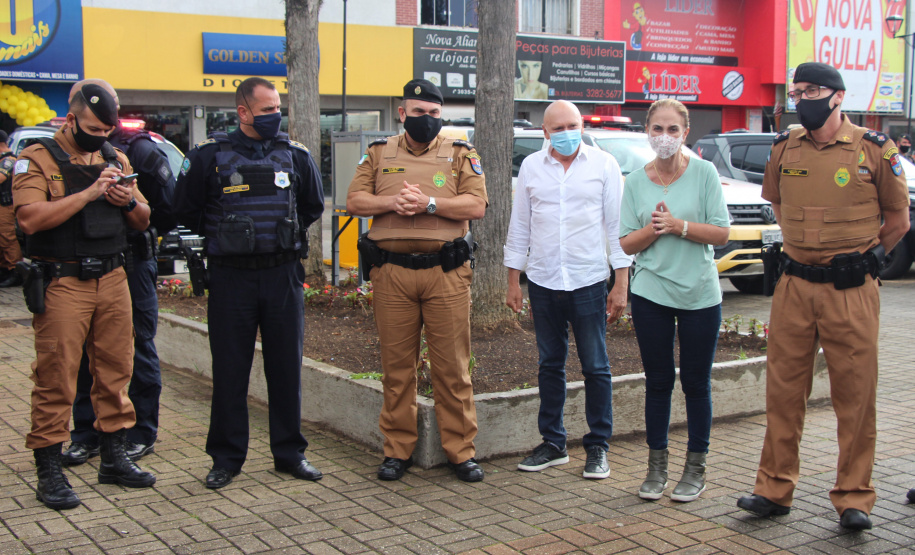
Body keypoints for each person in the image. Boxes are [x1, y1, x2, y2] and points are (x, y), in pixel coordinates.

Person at [737, 62, 910, 531]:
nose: (802, 99)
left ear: (837, 96)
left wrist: (867, 259)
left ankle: (854, 497)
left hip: (849, 290)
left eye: (811, 90)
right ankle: (773, 489)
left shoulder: (873, 149)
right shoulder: (784, 147)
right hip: (794, 285)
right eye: (797, 92)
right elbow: (779, 204)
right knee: (783, 392)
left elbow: (898, 222)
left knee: (855, 396)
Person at [175, 77, 325, 489]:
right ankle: (226, 459)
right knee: (229, 370)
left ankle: (290, 454)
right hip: (231, 278)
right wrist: (227, 236)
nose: (275, 116)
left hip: (282, 275)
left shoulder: (295, 155)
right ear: (243, 112)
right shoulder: (208, 155)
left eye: (277, 108)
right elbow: (184, 208)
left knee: (286, 368)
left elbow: (312, 205)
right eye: (266, 110)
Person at [13, 83, 157, 510]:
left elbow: (144, 218)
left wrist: (127, 201)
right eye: (93, 129)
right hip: (63, 281)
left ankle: (113, 457)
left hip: (112, 278)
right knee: (56, 375)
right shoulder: (36, 159)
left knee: (116, 370)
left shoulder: (116, 158)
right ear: (71, 119)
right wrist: (90, 193)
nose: (101, 137)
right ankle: (49, 470)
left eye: (107, 130)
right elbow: (29, 219)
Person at [347, 78, 487, 482]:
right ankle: (397, 451)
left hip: (445, 274)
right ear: (402, 113)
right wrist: (392, 202)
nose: (426, 119)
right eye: (418, 112)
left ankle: (461, 452)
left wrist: (429, 204)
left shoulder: (460, 152)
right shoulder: (379, 153)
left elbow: (476, 205)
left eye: (434, 113)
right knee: (397, 369)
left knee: (452, 369)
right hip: (392, 275)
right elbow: (355, 200)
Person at [505, 100, 631, 480]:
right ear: (545, 132)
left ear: (582, 126)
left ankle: (598, 446)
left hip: (588, 281)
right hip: (543, 281)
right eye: (557, 128)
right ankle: (553, 442)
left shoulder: (604, 165)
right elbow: (520, 226)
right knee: (549, 364)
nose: (565, 133)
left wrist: (621, 282)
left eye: (572, 125)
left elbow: (617, 227)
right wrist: (513, 280)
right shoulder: (531, 167)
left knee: (596, 366)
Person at [618, 99, 730, 502]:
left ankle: (695, 469)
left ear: (685, 133)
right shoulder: (635, 181)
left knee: (696, 383)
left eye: (672, 130)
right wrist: (655, 228)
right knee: (659, 381)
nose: (664, 137)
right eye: (657, 129)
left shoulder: (704, 173)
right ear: (647, 131)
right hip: (652, 293)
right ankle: (656, 468)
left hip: (699, 293)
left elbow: (721, 233)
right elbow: (626, 243)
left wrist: (678, 225)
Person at [61, 79, 176, 467]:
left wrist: (128, 205)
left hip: (131, 261)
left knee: (138, 347)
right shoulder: (56, 155)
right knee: (82, 351)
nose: (100, 128)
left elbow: (161, 211)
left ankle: (140, 432)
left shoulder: (134, 150)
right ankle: (86, 433)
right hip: (83, 264)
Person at [0, 129, 23, 287]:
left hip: (5, 206)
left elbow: (1, 177)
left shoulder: (9, 160)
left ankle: (15, 270)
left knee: (7, 238)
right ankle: (4, 268)